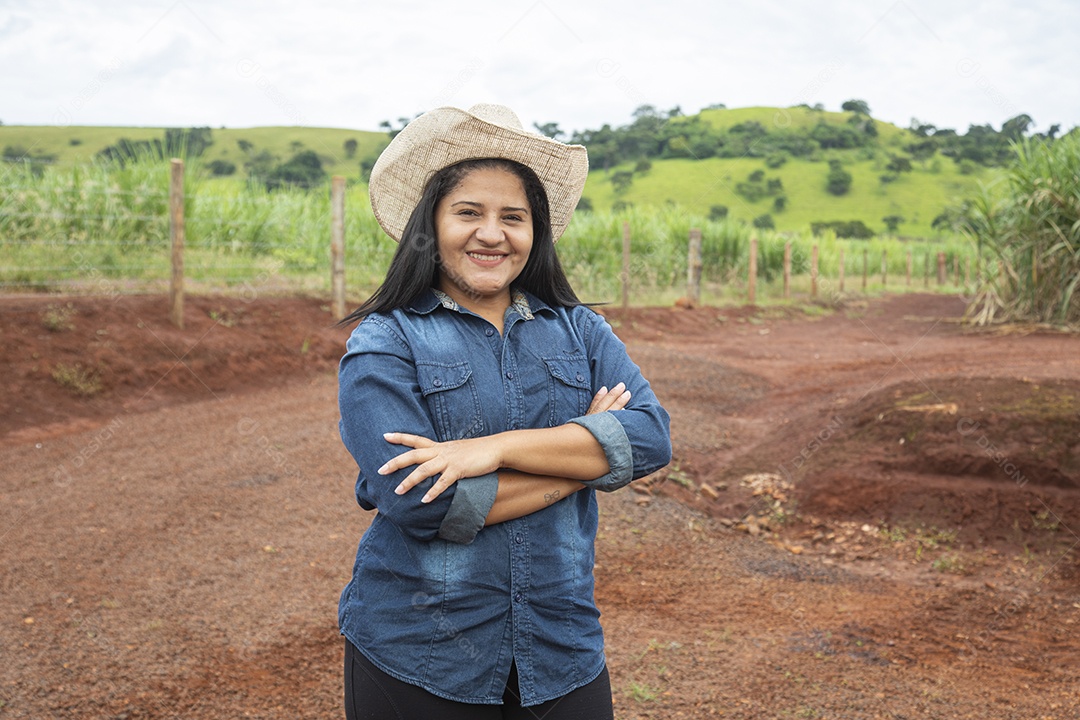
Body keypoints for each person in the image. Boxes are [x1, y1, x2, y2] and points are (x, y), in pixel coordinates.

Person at [336, 103, 672, 720]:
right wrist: (584, 458)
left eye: (512, 217)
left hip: (560, 645)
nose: (492, 234)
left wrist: (491, 450)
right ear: (429, 225)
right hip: (420, 653)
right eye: (468, 212)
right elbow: (417, 501)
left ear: (534, 232)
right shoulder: (384, 341)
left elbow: (649, 437)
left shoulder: (582, 330)